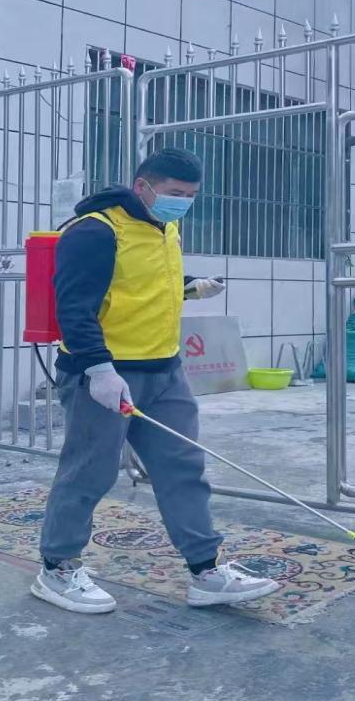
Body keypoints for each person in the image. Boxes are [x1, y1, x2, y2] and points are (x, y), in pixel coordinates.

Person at [33, 147, 280, 615]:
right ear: (142, 186)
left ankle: (206, 571)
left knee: (183, 469)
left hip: (164, 372)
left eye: (190, 196)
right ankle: (57, 567)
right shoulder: (95, 231)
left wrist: (190, 287)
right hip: (105, 375)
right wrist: (99, 370)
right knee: (89, 471)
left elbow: (138, 286)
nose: (182, 202)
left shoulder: (165, 228)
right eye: (174, 193)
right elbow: (74, 308)